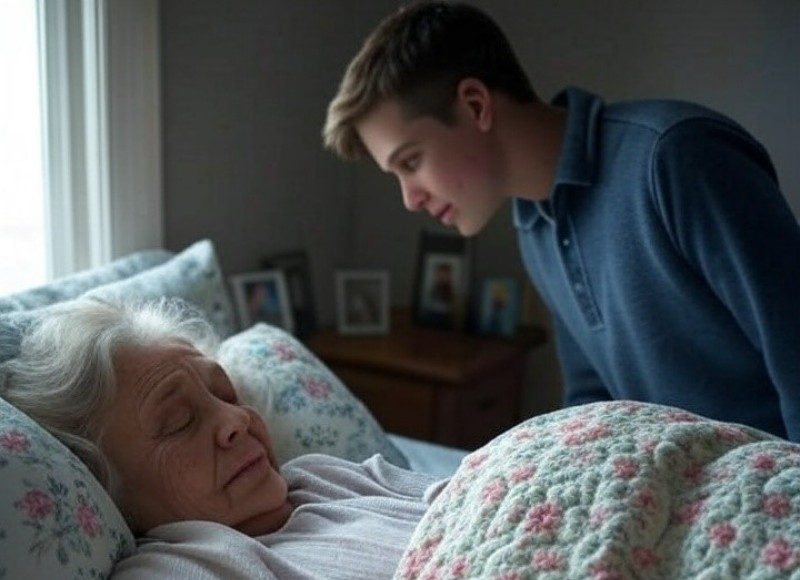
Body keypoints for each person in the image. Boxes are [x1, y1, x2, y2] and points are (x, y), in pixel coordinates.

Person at [322, 1, 800, 441]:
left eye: (410, 162)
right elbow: (592, 407)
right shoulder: (534, 224)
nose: (410, 199)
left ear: (475, 105)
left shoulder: (675, 157)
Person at [0, 297, 444, 578]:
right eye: (178, 422)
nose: (236, 419)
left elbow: (473, 494)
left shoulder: (320, 476)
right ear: (106, 486)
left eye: (226, 394)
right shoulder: (181, 567)